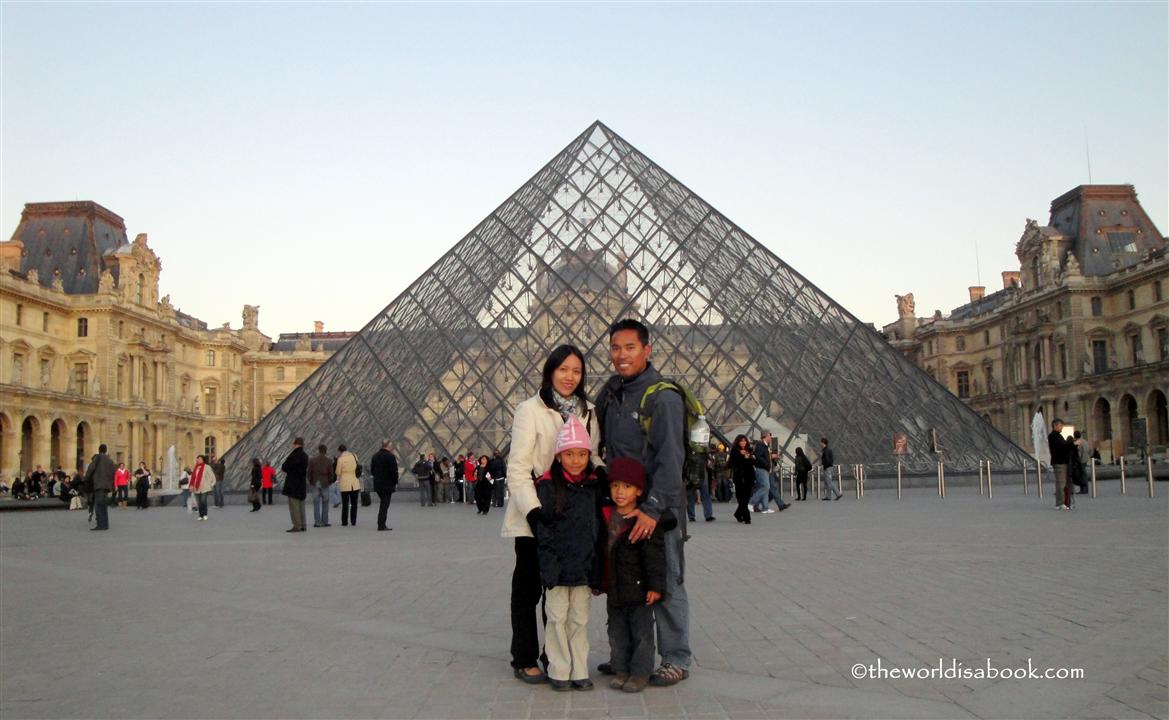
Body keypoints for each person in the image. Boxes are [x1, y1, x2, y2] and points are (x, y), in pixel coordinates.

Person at [595, 318, 690, 687]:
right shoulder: (612, 393)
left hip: (657, 511)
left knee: (666, 582)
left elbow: (671, 459)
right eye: (615, 348)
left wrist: (651, 509)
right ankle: (628, 656)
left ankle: (677, 658)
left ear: (647, 350)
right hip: (622, 507)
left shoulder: (663, 397)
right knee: (625, 584)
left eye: (629, 347)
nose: (621, 355)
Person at [501, 344, 600, 686]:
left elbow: (594, 458)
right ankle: (525, 656)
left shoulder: (589, 411)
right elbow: (517, 468)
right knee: (528, 587)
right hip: (538, 514)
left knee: (563, 588)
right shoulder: (529, 409)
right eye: (563, 369)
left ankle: (556, 658)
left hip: (573, 517)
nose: (570, 377)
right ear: (550, 371)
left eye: (576, 370)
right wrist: (535, 512)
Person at [534, 415, 602, 691]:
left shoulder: (595, 486)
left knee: (579, 620)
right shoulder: (548, 487)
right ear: (559, 456)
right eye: (569, 454)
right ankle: (560, 670)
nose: (576, 460)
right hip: (558, 568)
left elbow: (599, 529)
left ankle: (580, 669)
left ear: (589, 455)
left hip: (584, 567)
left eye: (582, 454)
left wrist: (596, 568)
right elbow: (544, 531)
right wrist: (548, 568)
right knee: (557, 619)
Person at [601, 458, 676, 693]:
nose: (619, 492)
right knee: (617, 632)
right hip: (615, 589)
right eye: (615, 486)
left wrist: (655, 587)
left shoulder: (644, 522)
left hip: (640, 590)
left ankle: (640, 673)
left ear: (639, 491)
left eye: (626, 486)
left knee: (642, 634)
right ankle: (621, 669)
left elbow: (655, 558)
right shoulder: (605, 516)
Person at [281, 437, 309, 532]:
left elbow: (284, 467)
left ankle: (297, 525)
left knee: (294, 506)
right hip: (301, 483)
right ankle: (303, 525)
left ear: (296, 444)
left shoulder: (293, 455)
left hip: (292, 483)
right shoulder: (305, 456)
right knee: (301, 505)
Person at [84, 444, 115, 530]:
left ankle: (100, 525)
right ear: (106, 450)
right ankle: (105, 524)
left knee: (98, 505)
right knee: (104, 506)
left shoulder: (98, 458)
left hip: (98, 485)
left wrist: (86, 478)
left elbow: (91, 468)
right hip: (106, 486)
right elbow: (113, 473)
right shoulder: (110, 460)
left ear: (99, 450)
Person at [371, 440, 399, 531]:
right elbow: (394, 471)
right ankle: (381, 525)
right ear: (387, 445)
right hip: (387, 484)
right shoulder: (390, 456)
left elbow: (372, 471)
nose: (392, 447)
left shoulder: (375, 456)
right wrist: (395, 482)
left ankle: (381, 523)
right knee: (384, 505)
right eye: (391, 445)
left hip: (378, 484)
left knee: (383, 503)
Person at [729, 435, 755, 524]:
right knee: (741, 498)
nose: (743, 442)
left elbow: (753, 463)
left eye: (745, 441)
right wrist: (741, 455)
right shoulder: (734, 452)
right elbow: (734, 463)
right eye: (741, 441)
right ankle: (747, 518)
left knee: (746, 498)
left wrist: (747, 457)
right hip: (739, 478)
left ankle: (738, 514)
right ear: (738, 442)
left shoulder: (750, 450)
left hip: (749, 477)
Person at [1049, 419, 1074, 510]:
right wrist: (1073, 444)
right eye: (1060, 426)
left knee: (1060, 483)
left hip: (1060, 462)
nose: (1062, 427)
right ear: (1055, 426)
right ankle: (1061, 503)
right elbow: (1062, 447)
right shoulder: (1053, 436)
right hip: (1059, 462)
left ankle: (1060, 503)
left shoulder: (1057, 436)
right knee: (1061, 483)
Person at [308, 445, 334, 527]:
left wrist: (311, 481)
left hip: (315, 482)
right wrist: (329, 482)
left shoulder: (312, 460)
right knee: (325, 503)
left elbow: (309, 472)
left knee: (316, 503)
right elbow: (331, 473)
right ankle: (325, 521)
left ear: (319, 450)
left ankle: (317, 522)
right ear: (326, 451)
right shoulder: (329, 461)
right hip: (325, 482)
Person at [335, 444, 360, 527]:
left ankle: (344, 521)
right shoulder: (354, 456)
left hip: (345, 483)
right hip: (355, 482)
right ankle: (353, 521)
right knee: (354, 503)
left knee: (345, 503)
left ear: (339, 451)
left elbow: (338, 472)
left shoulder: (341, 459)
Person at [189, 455, 217, 521]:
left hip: (204, 487)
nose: (198, 460)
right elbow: (193, 477)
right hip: (196, 488)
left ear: (203, 460)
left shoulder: (207, 467)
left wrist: (211, 484)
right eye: (197, 459)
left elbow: (212, 476)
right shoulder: (195, 467)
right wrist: (191, 485)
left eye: (199, 459)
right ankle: (200, 515)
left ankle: (205, 514)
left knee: (203, 501)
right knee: (199, 502)